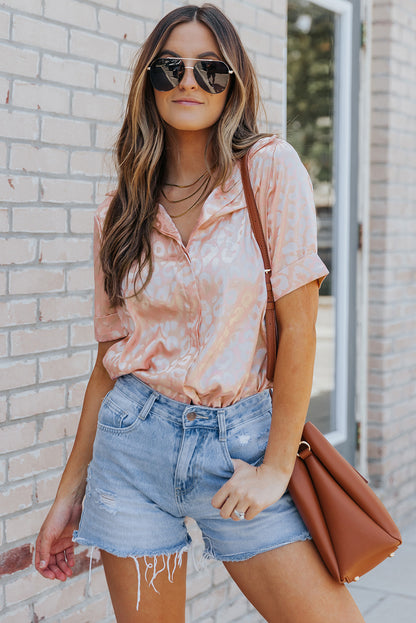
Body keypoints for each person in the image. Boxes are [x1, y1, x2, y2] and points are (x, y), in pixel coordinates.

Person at [35, 4, 365, 622]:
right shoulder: (121, 210)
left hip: (238, 448)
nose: (189, 81)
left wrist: (273, 469)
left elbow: (300, 328)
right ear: (149, 81)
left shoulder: (268, 170)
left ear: (234, 84)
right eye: (171, 67)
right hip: (131, 449)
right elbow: (109, 363)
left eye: (211, 70)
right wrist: (66, 496)